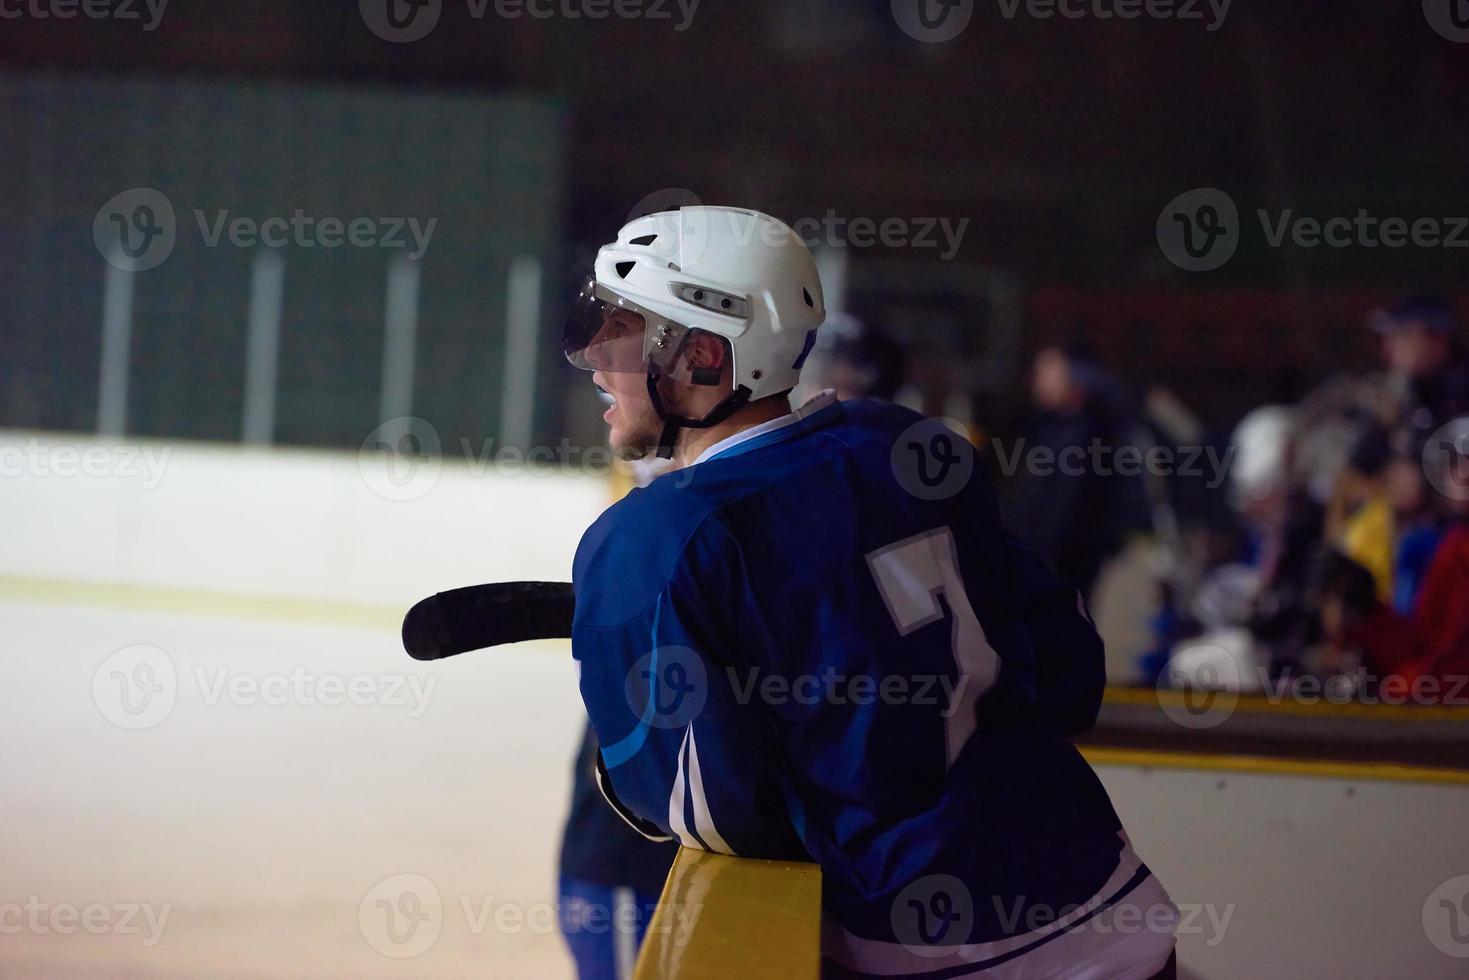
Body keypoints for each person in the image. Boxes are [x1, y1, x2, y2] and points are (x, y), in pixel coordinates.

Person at [561, 205, 1178, 978]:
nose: (593, 358)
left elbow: (710, 812)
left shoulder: (653, 538)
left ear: (702, 356)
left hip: (936, 950)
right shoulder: (902, 442)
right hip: (1112, 902)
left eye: (619, 333)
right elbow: (1065, 675)